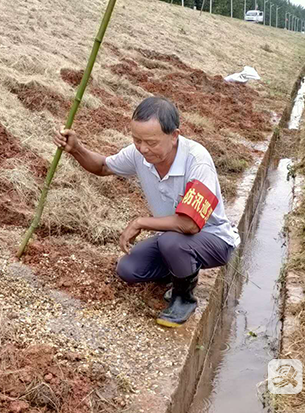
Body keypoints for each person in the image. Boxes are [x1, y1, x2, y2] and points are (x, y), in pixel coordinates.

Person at [53, 97, 240, 328]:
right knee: (129, 269)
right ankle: (178, 269)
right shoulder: (139, 154)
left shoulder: (196, 161)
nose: (142, 148)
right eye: (136, 140)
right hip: (173, 238)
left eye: (150, 142)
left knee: (173, 242)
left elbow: (189, 225)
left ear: (174, 136)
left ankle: (183, 297)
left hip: (214, 240)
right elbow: (103, 166)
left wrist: (142, 222)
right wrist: (77, 149)